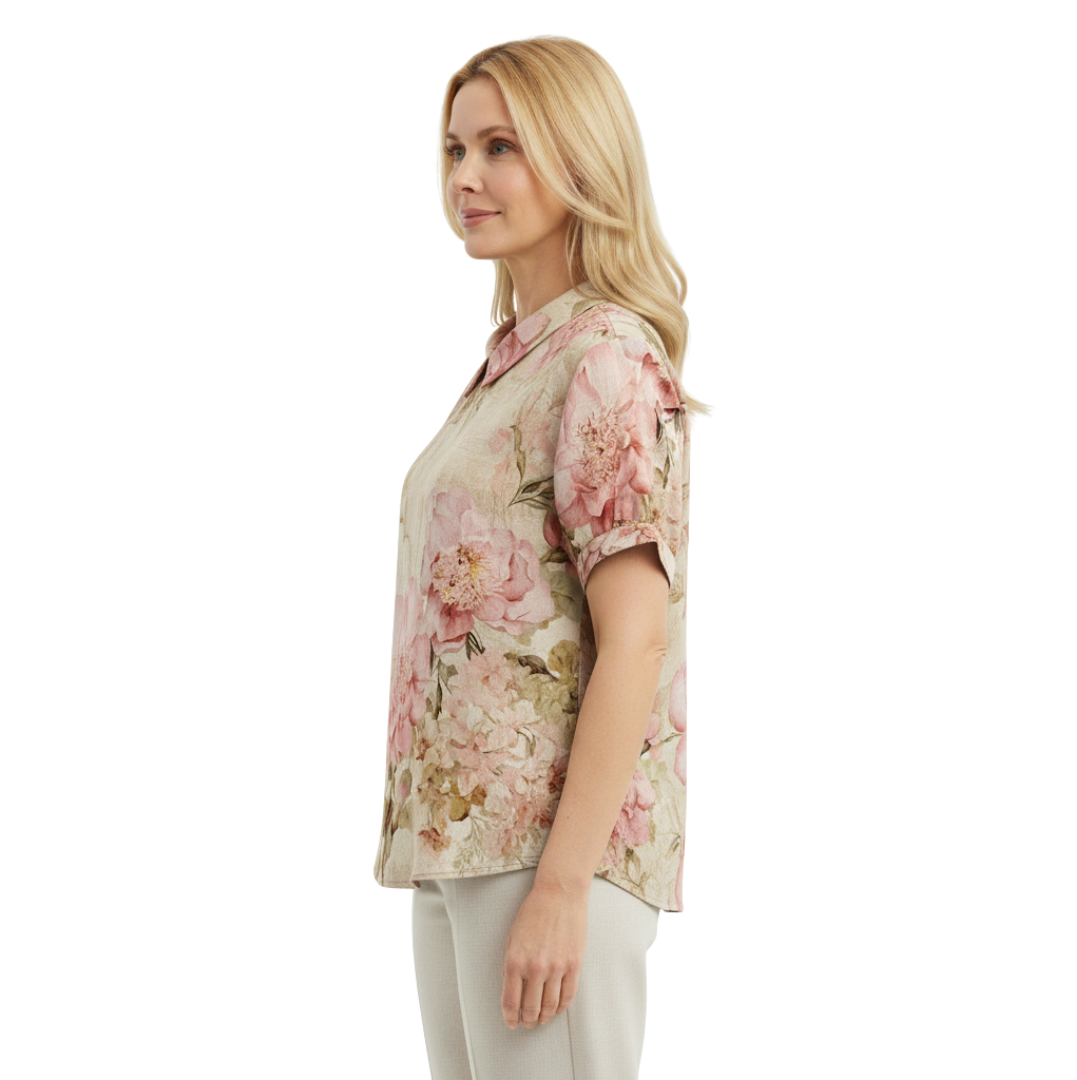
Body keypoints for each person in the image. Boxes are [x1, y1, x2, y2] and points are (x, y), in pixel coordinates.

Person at [372, 35, 709, 1080]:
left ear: (578, 158)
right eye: (454, 149)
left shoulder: (604, 355)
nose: (464, 177)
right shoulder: (517, 363)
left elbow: (636, 639)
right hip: (467, 849)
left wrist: (563, 885)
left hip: (549, 857)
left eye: (501, 147)